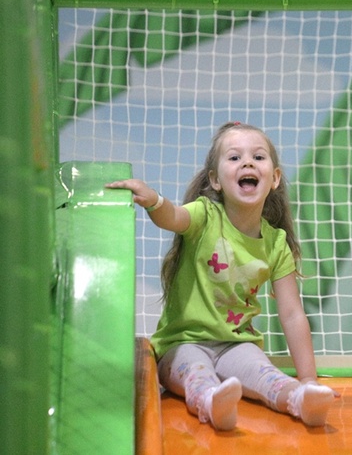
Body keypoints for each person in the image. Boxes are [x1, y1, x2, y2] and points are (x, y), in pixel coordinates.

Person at [107, 121, 337, 430]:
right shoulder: (204, 216)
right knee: (197, 374)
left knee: (267, 375)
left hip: (237, 345)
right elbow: (173, 217)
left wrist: (308, 378)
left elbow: (292, 314)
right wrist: (154, 201)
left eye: (258, 157)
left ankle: (300, 400)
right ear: (215, 180)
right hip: (182, 345)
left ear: (274, 178)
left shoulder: (275, 243)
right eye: (234, 157)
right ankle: (211, 401)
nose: (247, 163)